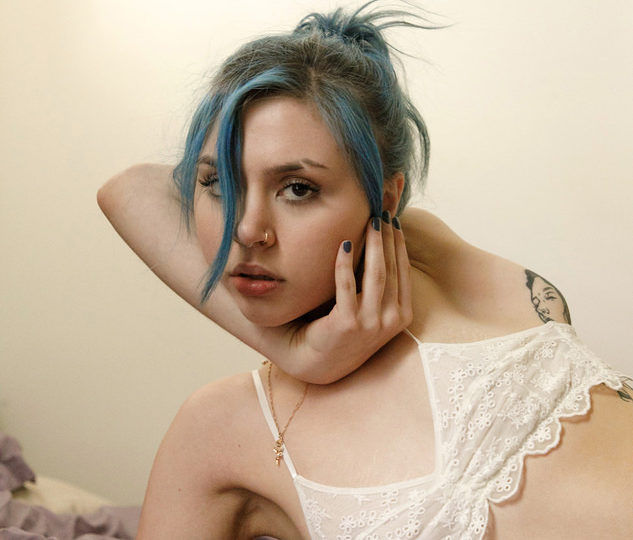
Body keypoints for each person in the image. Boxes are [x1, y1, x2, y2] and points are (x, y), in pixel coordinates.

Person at [97, 3, 633, 538]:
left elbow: (134, 190)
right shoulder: (223, 426)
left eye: (297, 189)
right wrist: (299, 353)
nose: (247, 229)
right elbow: (125, 189)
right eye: (218, 183)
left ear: (385, 199)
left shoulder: (441, 264)